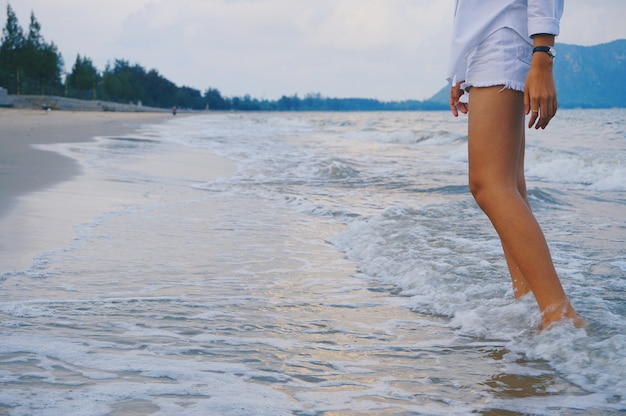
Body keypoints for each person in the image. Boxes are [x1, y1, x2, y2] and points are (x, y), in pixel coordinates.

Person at [448, 0, 583, 330]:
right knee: (508, 184)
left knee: (489, 185)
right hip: (488, 41)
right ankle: (529, 304)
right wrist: (462, 66)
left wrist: (543, 57)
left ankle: (558, 314)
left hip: (504, 38)